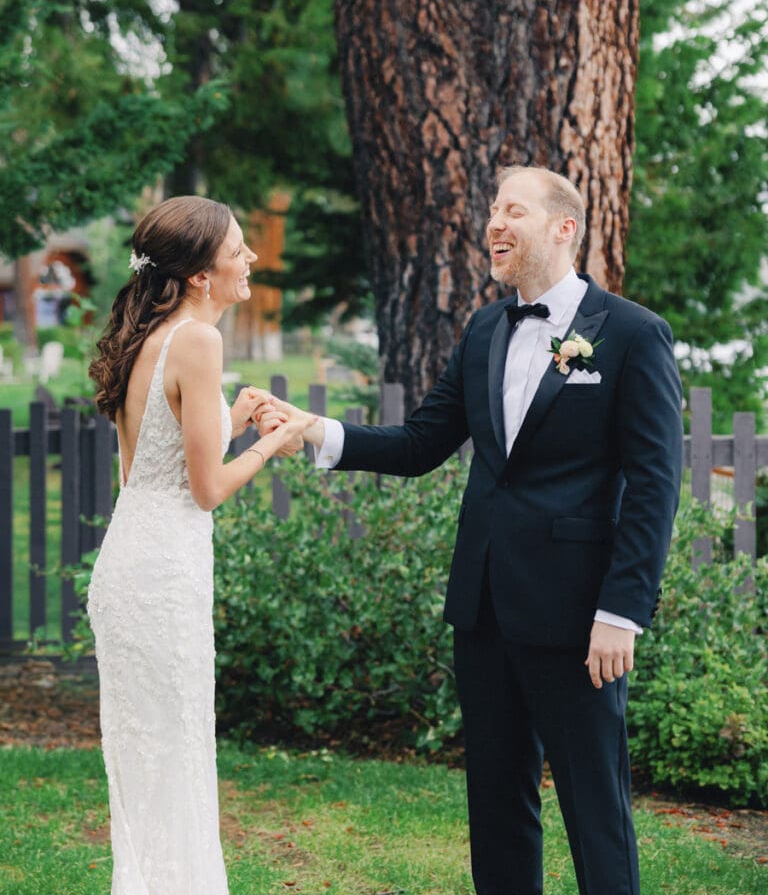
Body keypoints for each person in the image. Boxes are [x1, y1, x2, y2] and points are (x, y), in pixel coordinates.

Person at [260, 166, 683, 895]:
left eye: (512, 209)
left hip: (581, 618)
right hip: (484, 609)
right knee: (495, 803)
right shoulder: (486, 327)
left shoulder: (633, 335)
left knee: (596, 809)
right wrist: (316, 432)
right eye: (491, 209)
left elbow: (655, 485)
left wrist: (621, 612)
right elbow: (423, 442)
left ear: (563, 228)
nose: (493, 222)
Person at [87, 196, 312, 895]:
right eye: (238, 250)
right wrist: (274, 440)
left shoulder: (152, 335)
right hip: (162, 573)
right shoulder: (198, 340)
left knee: (156, 757)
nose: (250, 259)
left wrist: (231, 419)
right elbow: (207, 489)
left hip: (134, 557)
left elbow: (152, 463)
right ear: (198, 275)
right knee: (174, 752)